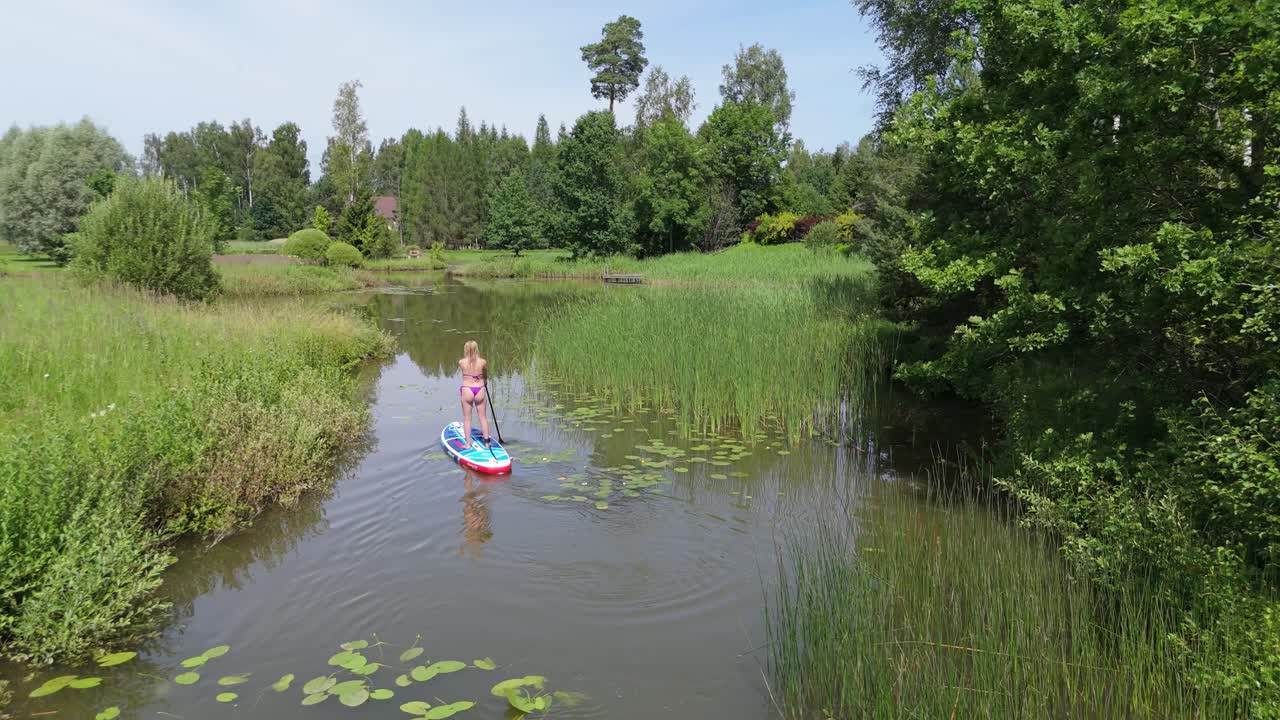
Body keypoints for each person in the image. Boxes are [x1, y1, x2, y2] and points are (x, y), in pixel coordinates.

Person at [458, 340, 490, 447]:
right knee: (483, 417)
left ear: (465, 350)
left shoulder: (461, 362)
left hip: (467, 390)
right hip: (480, 390)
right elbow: (485, 375)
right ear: (477, 349)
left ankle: (467, 444)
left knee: (467, 418)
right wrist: (484, 381)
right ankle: (487, 443)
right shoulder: (483, 362)